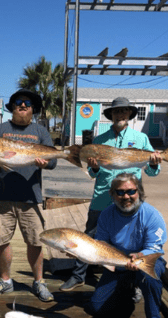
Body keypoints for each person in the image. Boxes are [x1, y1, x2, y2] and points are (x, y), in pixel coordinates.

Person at [60, 96, 162, 296]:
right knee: (89, 236)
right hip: (102, 197)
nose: (120, 114)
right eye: (116, 111)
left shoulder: (141, 139)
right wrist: (95, 167)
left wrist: (154, 162)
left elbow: (151, 172)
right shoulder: (99, 141)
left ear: (130, 114)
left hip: (131, 198)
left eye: (124, 111)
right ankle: (79, 275)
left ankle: (135, 280)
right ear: (111, 115)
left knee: (133, 240)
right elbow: (92, 173)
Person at [0, 89, 57, 302]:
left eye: (27, 103)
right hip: (2, 196)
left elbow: (52, 161)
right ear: (12, 107)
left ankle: (39, 281)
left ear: (33, 109)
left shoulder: (40, 132)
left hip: (31, 197)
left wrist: (46, 161)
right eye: (18, 103)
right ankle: (5, 280)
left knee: (35, 241)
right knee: (1, 240)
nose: (23, 105)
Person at [86, 173, 167, 318]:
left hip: (147, 259)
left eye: (131, 191)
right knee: (96, 308)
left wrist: (138, 256)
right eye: (120, 192)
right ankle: (130, 288)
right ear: (112, 194)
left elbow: (154, 247)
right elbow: (100, 244)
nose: (126, 196)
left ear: (139, 191)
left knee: (150, 278)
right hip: (118, 262)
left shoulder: (152, 215)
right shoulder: (106, 215)